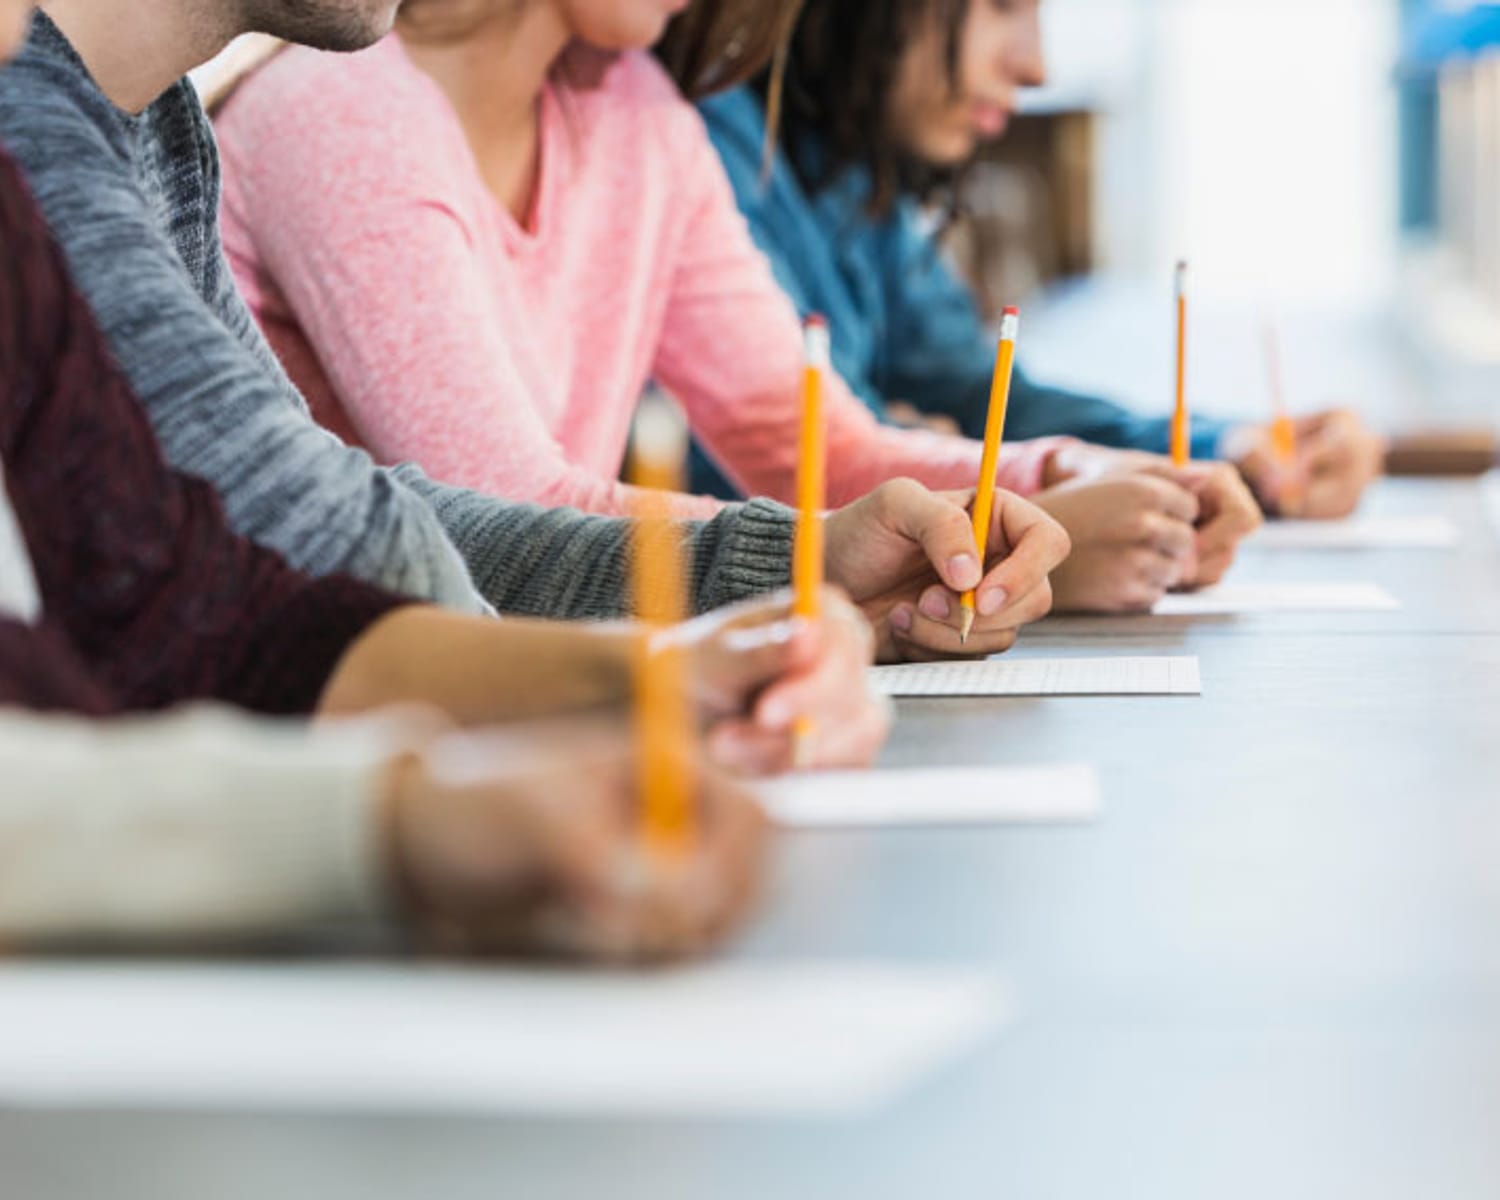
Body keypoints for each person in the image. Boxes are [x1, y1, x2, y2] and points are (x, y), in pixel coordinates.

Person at [0, 4, 884, 952]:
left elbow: (212, 605)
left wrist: (683, 659)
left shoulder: (142, 125)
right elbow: (335, 560)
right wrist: (392, 818)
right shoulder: (65, 127)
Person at [0, 0, 1066, 656]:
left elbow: (355, 519)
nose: (1038, 63)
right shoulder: (318, 110)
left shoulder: (154, 127)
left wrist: (820, 566)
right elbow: (336, 546)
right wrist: (762, 606)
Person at [210, 0, 1259, 613]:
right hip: (371, 706)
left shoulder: (637, 115)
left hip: (538, 695)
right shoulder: (341, 110)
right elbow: (511, 516)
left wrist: (1056, 477)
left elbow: (801, 438)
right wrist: (868, 557)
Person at [697, 0, 1387, 519]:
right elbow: (781, 460)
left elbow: (985, 401)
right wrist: (1040, 490)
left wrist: (1228, 452)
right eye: (1002, 6)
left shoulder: (845, 167)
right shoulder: (701, 136)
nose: (1035, 67)